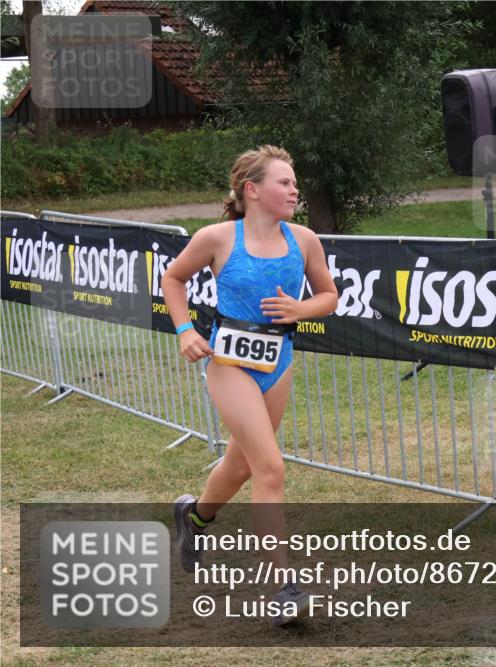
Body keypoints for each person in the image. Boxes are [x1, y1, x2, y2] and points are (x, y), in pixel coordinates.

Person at [162, 145, 338, 625]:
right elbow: (173, 279)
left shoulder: (303, 240)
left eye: (295, 181)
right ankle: (284, 587)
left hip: (277, 362)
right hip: (228, 364)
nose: (294, 188)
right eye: (285, 181)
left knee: (241, 467)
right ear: (252, 190)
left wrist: (303, 308)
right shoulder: (217, 238)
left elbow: (329, 295)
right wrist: (185, 331)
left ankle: (194, 517)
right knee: (271, 469)